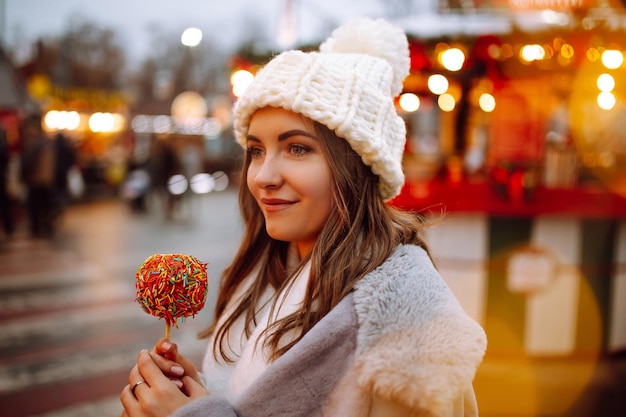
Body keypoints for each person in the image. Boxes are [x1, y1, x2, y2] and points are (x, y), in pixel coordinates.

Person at [120, 17, 487, 417]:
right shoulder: (262, 276)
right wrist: (197, 397)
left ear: (357, 166)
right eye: (257, 150)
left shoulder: (408, 327)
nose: (262, 177)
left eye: (297, 148)